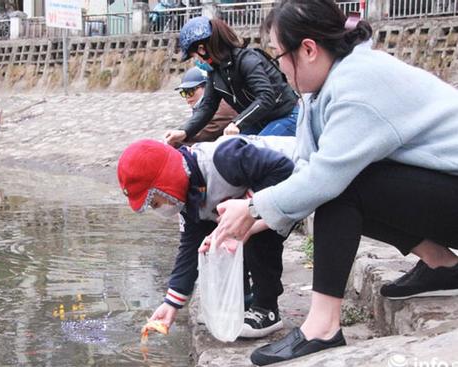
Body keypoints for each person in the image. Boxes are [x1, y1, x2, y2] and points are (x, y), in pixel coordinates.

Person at [212, 0, 458, 364]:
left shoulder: (359, 84)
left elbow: (325, 178)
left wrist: (250, 207)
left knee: (344, 188)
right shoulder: (324, 89)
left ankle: (322, 328)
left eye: (279, 55)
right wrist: (254, 221)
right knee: (345, 183)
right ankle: (441, 265)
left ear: (308, 49)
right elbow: (306, 170)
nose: (278, 67)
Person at [117, 136, 296, 338]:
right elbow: (189, 249)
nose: (157, 209)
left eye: (154, 202)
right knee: (216, 241)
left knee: (253, 236)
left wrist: (248, 208)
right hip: (267, 201)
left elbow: (283, 168)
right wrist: (171, 304)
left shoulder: (222, 158)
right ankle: (241, 301)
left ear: (167, 183)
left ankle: (266, 308)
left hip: (297, 177)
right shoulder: (188, 200)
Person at [164, 16, 299, 146]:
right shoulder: (215, 72)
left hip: (286, 116)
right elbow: (208, 106)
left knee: (253, 152)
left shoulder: (247, 60)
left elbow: (266, 97)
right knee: (226, 148)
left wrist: (237, 123)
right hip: (258, 122)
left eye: (194, 56)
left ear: (202, 49)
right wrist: (184, 131)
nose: (196, 61)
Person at [175, 67, 238, 144]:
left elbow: (201, 133)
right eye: (184, 92)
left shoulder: (221, 107)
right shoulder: (201, 106)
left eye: (190, 91)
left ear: (207, 87)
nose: (187, 96)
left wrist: (174, 140)